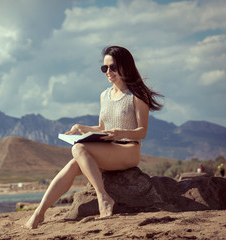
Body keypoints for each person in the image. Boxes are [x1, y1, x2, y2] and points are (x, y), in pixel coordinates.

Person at [25, 46, 163, 229]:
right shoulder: (104, 95)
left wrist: (122, 133)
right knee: (73, 164)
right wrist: (82, 128)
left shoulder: (137, 95)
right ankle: (39, 213)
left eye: (112, 67)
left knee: (78, 149)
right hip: (108, 149)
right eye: (104, 68)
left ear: (125, 66)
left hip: (128, 151)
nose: (108, 72)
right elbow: (102, 128)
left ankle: (103, 197)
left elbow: (142, 132)